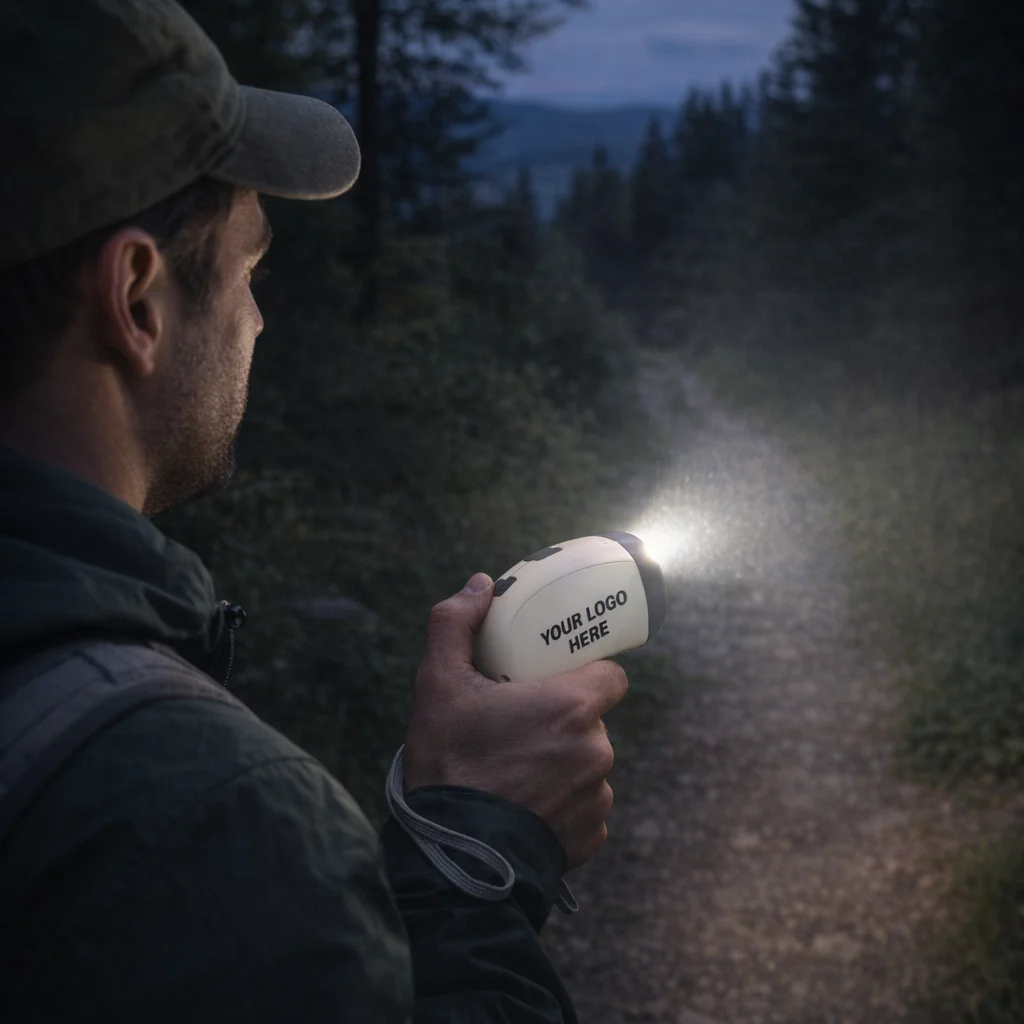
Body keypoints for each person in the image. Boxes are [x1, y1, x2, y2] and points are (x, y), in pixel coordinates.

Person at [0, 2, 629, 1021]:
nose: (258, 318)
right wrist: (471, 863)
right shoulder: (203, 825)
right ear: (137, 298)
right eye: (252, 265)